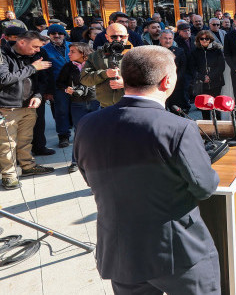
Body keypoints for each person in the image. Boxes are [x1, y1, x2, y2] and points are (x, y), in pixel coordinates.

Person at [74, 46, 221, 294]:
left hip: (120, 251)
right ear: (167, 82)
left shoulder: (87, 124)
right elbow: (205, 187)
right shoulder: (179, 128)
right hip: (177, 252)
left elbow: (90, 177)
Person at [0, 31, 54, 189]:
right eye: (35, 46)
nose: (38, 50)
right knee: (7, 143)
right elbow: (4, 79)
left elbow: (41, 80)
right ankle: (9, 175)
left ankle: (28, 166)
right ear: (22, 42)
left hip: (29, 106)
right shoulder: (3, 54)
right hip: (7, 107)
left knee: (25, 139)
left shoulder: (35, 55)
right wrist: (32, 67)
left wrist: (38, 95)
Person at [56, 42, 99, 173]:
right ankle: (75, 161)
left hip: (96, 102)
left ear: (83, 53)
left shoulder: (95, 64)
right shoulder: (68, 67)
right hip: (77, 103)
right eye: (69, 51)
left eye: (73, 51)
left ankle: (99, 160)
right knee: (79, 132)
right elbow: (59, 82)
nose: (69, 54)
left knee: (98, 131)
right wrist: (66, 89)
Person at [80, 23, 131, 108]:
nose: (118, 39)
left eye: (122, 36)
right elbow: (84, 79)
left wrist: (127, 84)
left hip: (130, 107)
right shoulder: (95, 56)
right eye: (114, 37)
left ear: (127, 36)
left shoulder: (137, 55)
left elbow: (149, 81)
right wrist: (104, 74)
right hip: (106, 108)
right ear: (107, 37)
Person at [41, 23, 73, 147]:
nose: (57, 35)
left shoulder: (72, 46)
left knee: (77, 109)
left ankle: (81, 133)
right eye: (53, 33)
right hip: (58, 86)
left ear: (64, 35)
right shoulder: (45, 50)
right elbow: (44, 72)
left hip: (75, 84)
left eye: (60, 33)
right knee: (61, 111)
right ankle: (63, 136)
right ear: (49, 35)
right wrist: (48, 91)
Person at [189, 31, 225, 119]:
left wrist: (210, 77)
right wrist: (202, 77)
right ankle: (207, 125)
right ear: (198, 40)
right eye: (202, 39)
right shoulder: (194, 52)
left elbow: (221, 66)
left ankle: (218, 126)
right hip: (202, 83)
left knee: (217, 106)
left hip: (216, 82)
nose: (204, 40)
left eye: (207, 38)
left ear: (210, 39)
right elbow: (192, 68)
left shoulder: (217, 50)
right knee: (204, 106)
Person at [157, 30, 189, 113]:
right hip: (159, 86)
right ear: (160, 39)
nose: (168, 41)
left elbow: (183, 68)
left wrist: (173, 81)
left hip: (176, 86)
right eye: (165, 38)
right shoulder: (154, 51)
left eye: (170, 38)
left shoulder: (179, 51)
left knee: (177, 111)